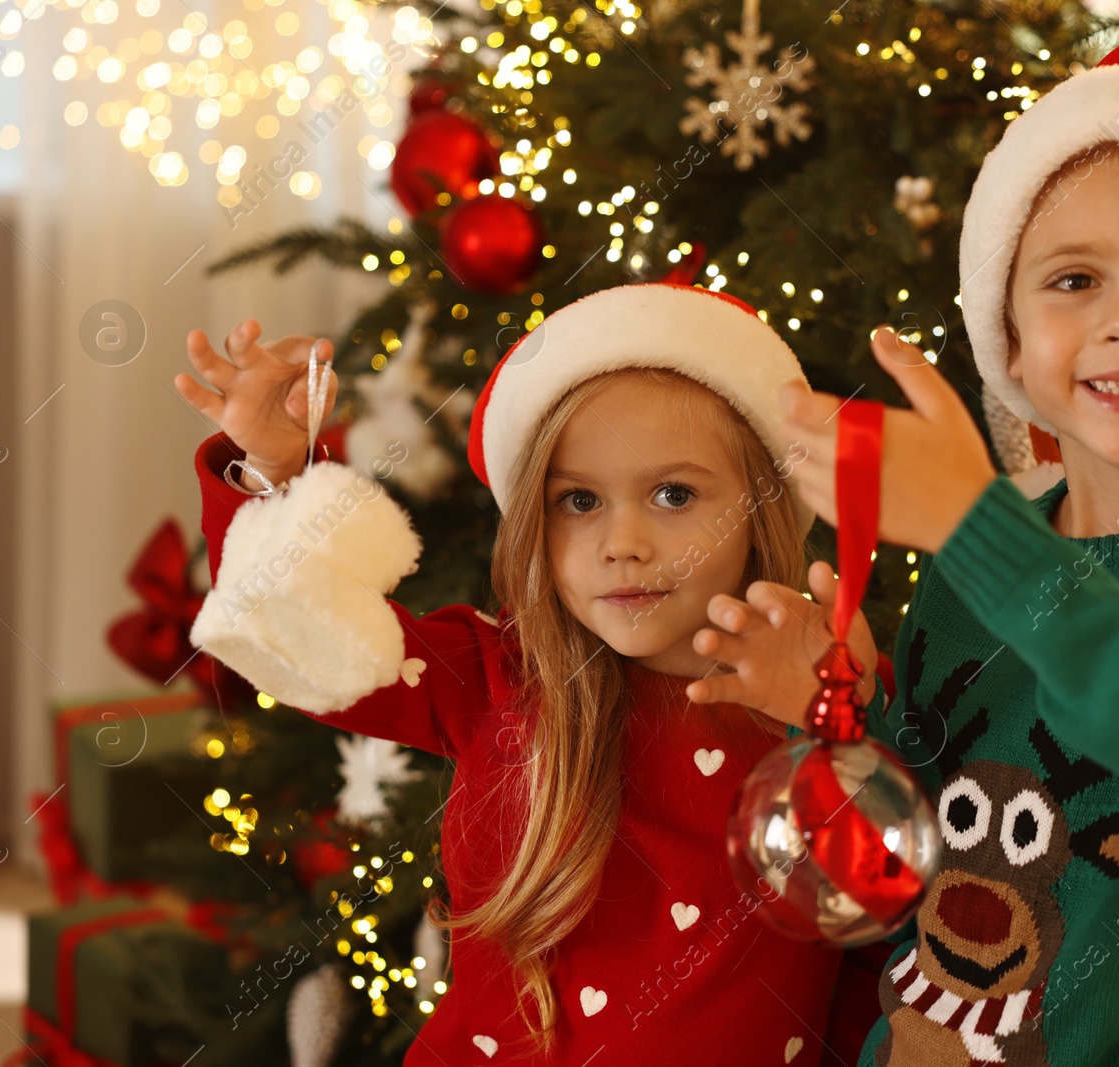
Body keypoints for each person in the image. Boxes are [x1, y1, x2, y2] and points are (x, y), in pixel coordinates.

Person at [686, 41, 1119, 1066]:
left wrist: (976, 528)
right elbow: (924, 829)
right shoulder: (980, 556)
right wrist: (838, 711)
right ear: (1007, 344)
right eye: (1073, 279)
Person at [175, 283, 886, 1065]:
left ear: (763, 510)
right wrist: (275, 471)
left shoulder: (825, 699)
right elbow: (310, 640)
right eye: (578, 499)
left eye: (673, 493)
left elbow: (883, 936)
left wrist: (846, 717)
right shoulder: (495, 678)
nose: (622, 541)